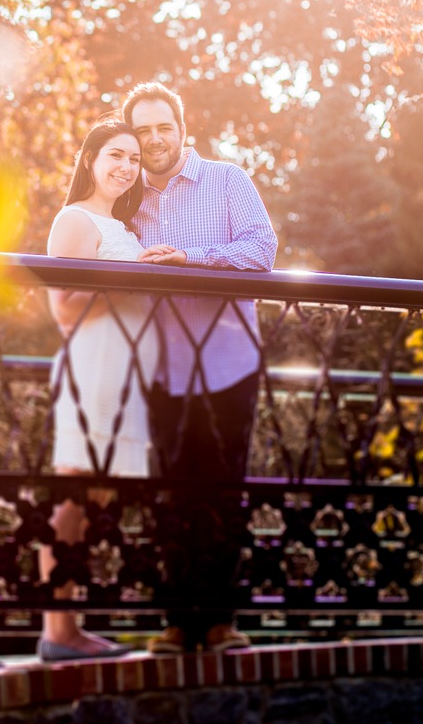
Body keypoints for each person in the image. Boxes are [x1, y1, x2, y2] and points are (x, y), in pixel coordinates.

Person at [122, 82, 278, 654]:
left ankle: (220, 622)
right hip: (159, 370)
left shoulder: (228, 181)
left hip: (227, 363)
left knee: (224, 491)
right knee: (169, 492)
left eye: (164, 127)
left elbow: (262, 248)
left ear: (183, 129)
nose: (155, 139)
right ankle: (176, 621)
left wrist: (194, 262)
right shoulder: (125, 196)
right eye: (143, 131)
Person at [37, 117, 176, 662]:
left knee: (96, 500)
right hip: (93, 368)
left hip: (126, 376)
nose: (125, 167)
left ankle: (71, 625)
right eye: (116, 155)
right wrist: (132, 280)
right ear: (91, 159)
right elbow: (64, 309)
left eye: (134, 160)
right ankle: (57, 631)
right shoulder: (74, 219)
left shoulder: (125, 228)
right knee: (72, 495)